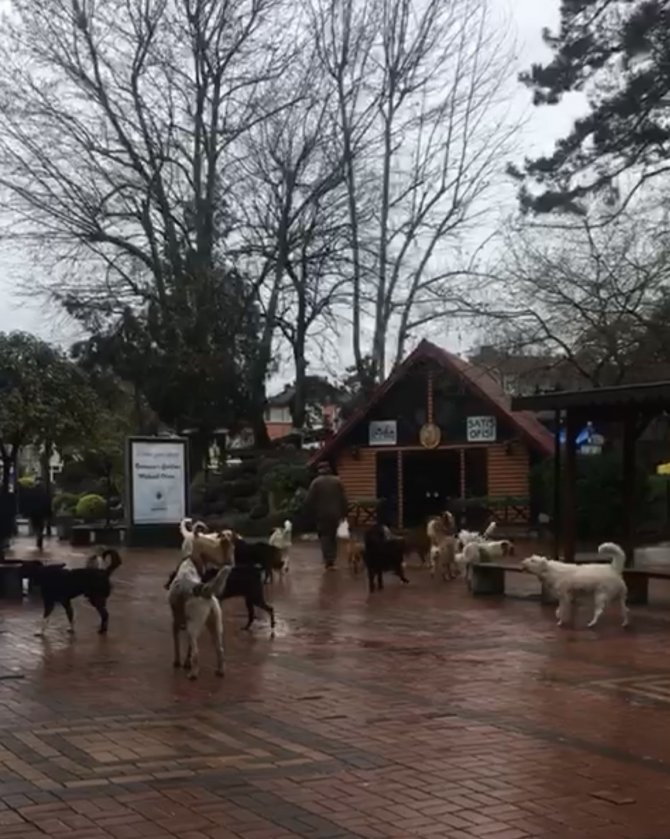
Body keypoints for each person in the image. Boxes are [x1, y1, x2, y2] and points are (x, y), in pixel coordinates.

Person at [304, 461, 349, 569]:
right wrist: (344, 512)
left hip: (321, 514)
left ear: (319, 470)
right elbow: (344, 499)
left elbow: (308, 500)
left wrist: (310, 512)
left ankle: (328, 560)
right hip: (336, 513)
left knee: (325, 536)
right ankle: (332, 558)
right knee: (333, 536)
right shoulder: (338, 481)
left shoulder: (316, 483)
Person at [24, 477, 51, 551]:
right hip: (41, 512)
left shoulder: (32, 491)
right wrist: (48, 513)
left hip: (34, 512)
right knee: (40, 526)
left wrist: (27, 512)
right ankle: (39, 536)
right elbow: (48, 503)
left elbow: (28, 502)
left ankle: (39, 536)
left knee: (36, 526)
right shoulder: (45, 492)